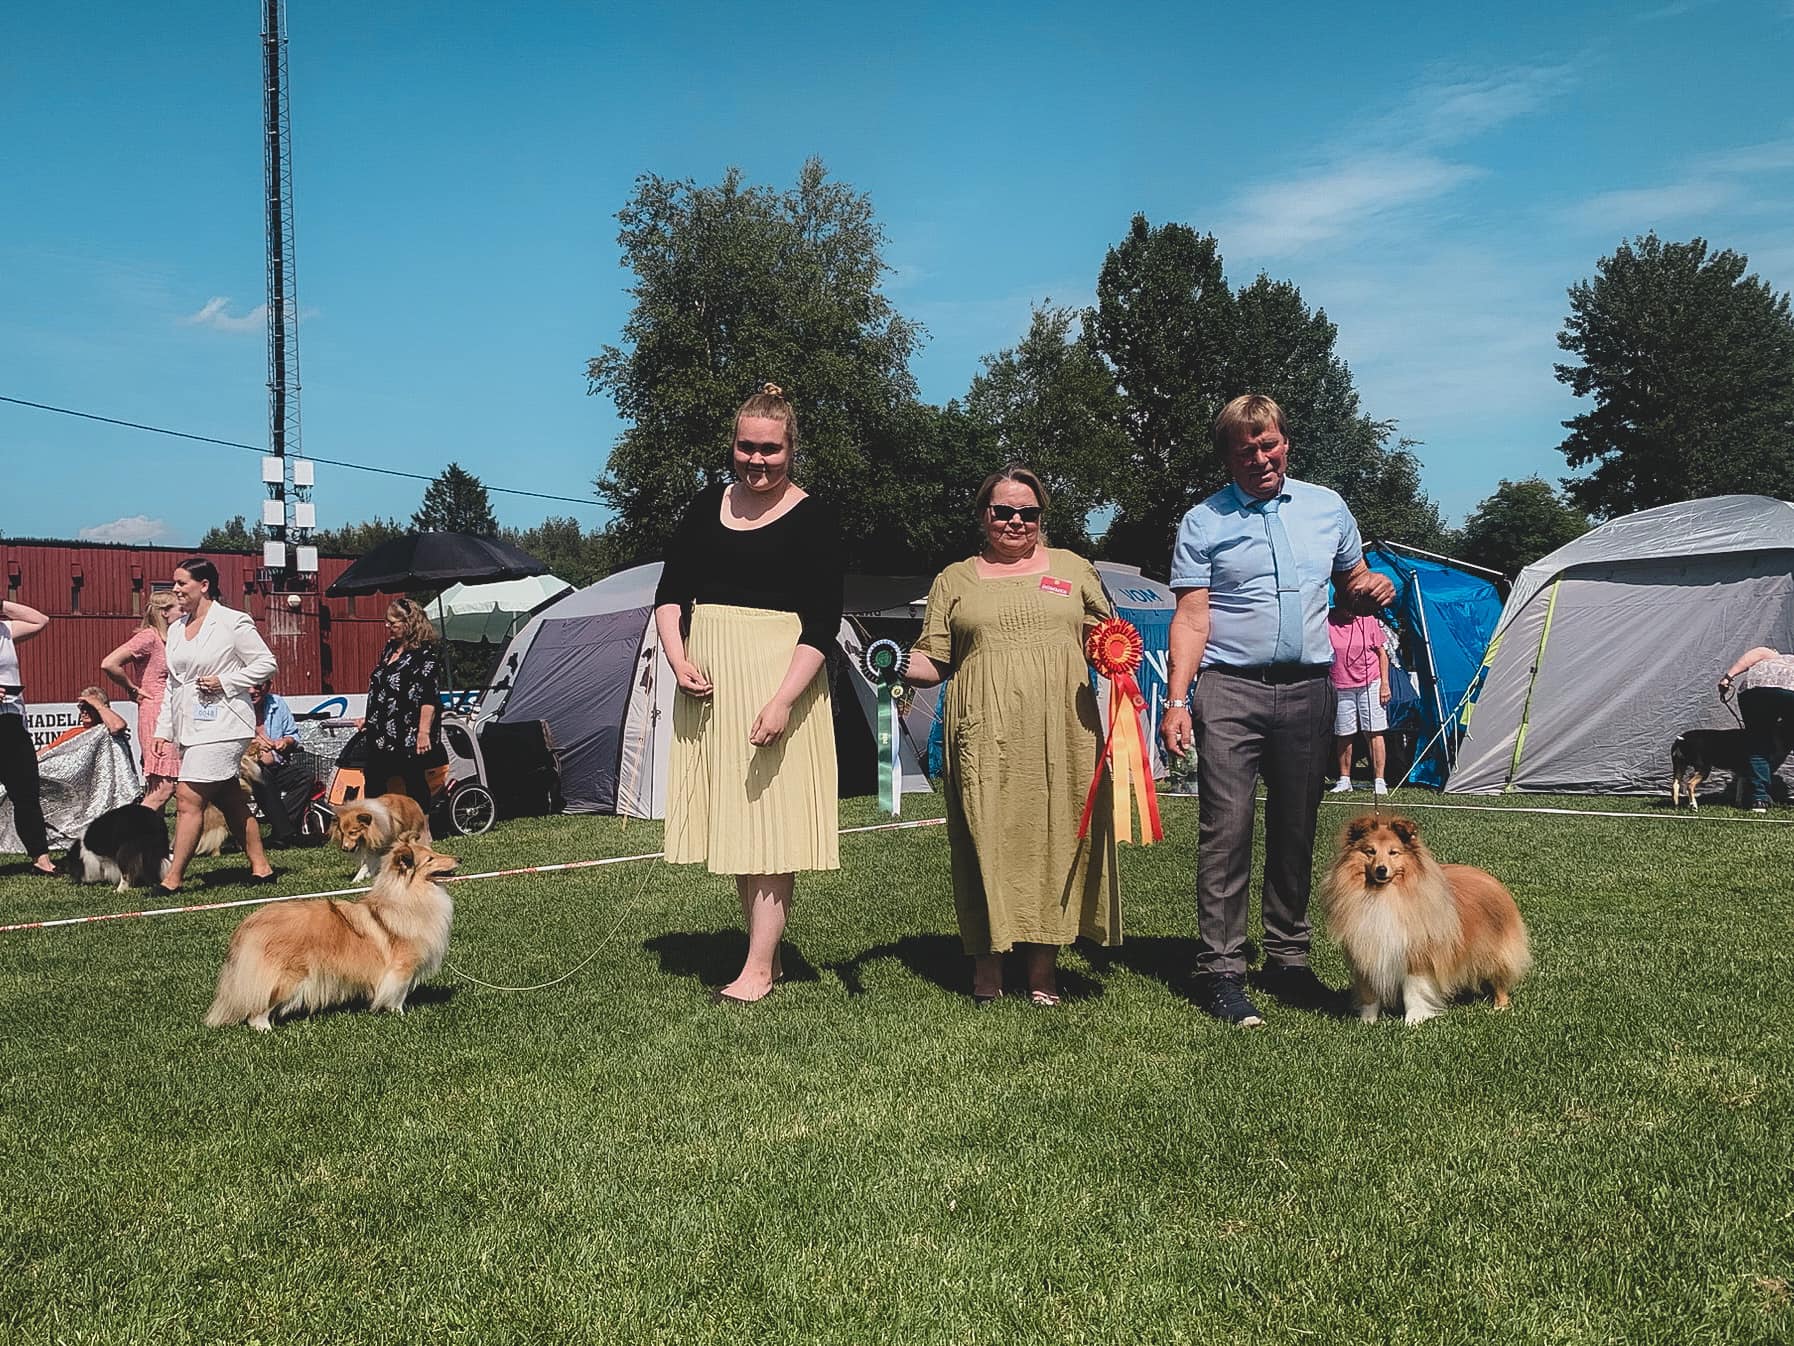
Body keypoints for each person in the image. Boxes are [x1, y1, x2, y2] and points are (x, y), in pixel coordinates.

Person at [1158, 394, 1395, 1027]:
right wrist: (1177, 701)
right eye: (1246, 450)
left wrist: (1373, 586)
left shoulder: (1328, 508)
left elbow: (1352, 582)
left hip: (1310, 689)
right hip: (1229, 689)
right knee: (1226, 830)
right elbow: (1191, 617)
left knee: (1296, 829)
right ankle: (1222, 969)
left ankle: (1288, 961)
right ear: (1228, 457)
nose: (1261, 458)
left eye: (1270, 445)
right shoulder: (1202, 521)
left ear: (1286, 442)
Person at [903, 465, 1120, 1007]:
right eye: (1003, 511)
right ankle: (987, 970)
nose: (1016, 521)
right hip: (983, 730)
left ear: (1041, 516)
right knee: (985, 837)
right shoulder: (954, 579)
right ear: (984, 515)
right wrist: (890, 664)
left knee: (1055, 837)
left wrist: (1111, 651)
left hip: (1062, 728)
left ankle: (1044, 972)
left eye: (1029, 512)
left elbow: (1106, 638)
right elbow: (935, 660)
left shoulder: (1074, 568)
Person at [654, 383, 843, 1004]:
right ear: (732, 446)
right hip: (710, 684)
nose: (756, 460)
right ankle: (767, 956)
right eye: (746, 447)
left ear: (791, 450)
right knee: (739, 824)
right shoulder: (703, 505)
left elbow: (823, 621)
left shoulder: (814, 518)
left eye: (770, 449)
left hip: (777, 680)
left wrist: (784, 698)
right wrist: (678, 659)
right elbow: (670, 594)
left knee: (770, 828)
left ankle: (757, 970)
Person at [152, 557, 278, 893]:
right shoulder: (176, 629)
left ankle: (173, 878)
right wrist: (163, 730)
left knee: (187, 798)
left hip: (225, 724)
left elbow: (266, 663)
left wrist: (226, 681)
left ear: (204, 585)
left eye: (182, 583)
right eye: (175, 583)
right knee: (230, 799)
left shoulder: (233, 622)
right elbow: (173, 684)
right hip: (190, 727)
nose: (176, 589)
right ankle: (262, 868)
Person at [100, 589, 184, 809]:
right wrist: (132, 688)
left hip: (172, 712)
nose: (184, 613)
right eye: (180, 609)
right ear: (165, 612)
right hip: (155, 713)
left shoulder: (171, 639)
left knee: (162, 786)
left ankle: (151, 831)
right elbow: (109, 663)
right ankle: (135, 827)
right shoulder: (148, 637)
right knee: (164, 786)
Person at [360, 598, 442, 814]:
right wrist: (368, 719)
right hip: (379, 732)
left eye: (392, 623)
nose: (387, 626)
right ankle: (376, 826)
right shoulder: (389, 649)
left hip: (407, 732)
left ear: (409, 623)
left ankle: (422, 826)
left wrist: (423, 733)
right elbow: (381, 688)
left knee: (413, 780)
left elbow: (429, 698)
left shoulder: (425, 656)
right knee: (373, 780)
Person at [0, 597, 56, 875]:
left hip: (11, 721)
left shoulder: (6, 630)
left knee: (26, 793)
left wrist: (2, 605)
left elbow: (40, 620)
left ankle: (41, 859)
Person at [1326, 602, 1391, 796]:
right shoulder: (1327, 621)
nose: (1352, 612)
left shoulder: (1368, 620)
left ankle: (1379, 780)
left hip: (1370, 683)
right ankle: (1344, 779)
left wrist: (1385, 684)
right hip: (1340, 684)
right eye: (1348, 607)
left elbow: (1382, 654)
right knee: (1344, 733)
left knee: (1374, 731)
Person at [1718, 646, 1794, 812]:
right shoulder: (1780, 657)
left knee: (1758, 745)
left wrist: (1727, 678)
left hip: (1755, 691)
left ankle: (1759, 799)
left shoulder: (1769, 656)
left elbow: (1756, 654)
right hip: (1790, 689)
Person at [249, 679, 310, 847]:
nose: (252, 690)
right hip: (247, 769)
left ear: (268, 686)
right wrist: (254, 746)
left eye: (258, 686)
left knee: (306, 777)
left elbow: (293, 736)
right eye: (248, 685)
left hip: (278, 765)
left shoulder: (278, 703)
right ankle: (287, 833)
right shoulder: (238, 706)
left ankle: (281, 830)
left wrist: (286, 741)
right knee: (261, 774)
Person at [39, 686, 130, 755]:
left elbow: (117, 726)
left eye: (89, 707)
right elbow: (43, 754)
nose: (84, 711)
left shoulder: (108, 732)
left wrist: (98, 705)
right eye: (81, 707)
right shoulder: (72, 734)